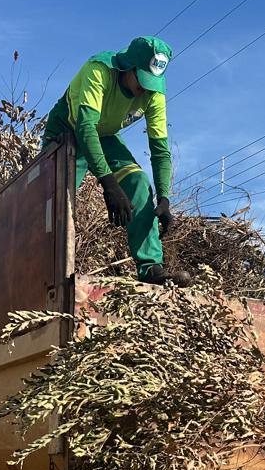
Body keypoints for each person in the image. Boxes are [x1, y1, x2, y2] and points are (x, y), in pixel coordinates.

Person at [43, 35, 191, 287]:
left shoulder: (154, 94)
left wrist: (164, 197)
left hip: (106, 136)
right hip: (68, 128)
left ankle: (150, 268)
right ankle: (48, 267)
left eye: (152, 82)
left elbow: (159, 149)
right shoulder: (99, 69)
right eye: (142, 79)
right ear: (128, 66)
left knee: (138, 182)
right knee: (59, 198)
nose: (145, 88)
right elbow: (86, 128)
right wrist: (108, 184)